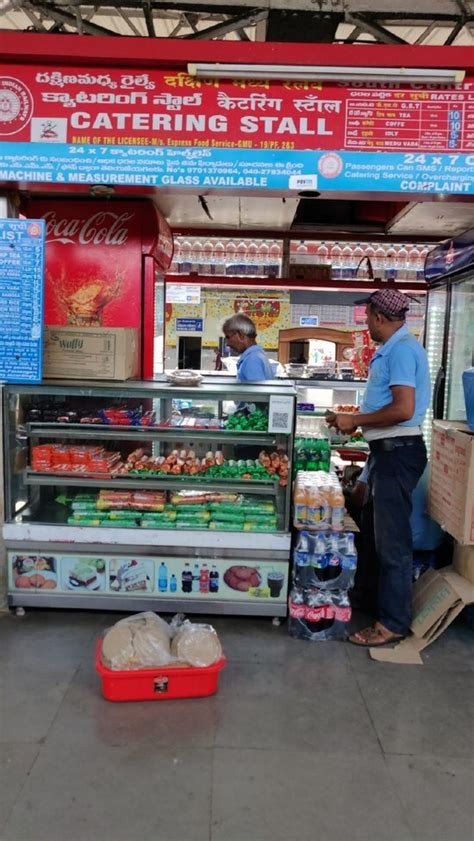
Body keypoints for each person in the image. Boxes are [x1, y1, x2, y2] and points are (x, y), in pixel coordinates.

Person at [327, 289, 430, 647]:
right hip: (386, 451)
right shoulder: (396, 348)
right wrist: (355, 422)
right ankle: (371, 601)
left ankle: (392, 623)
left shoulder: (401, 350)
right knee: (372, 532)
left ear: (380, 317)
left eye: (368, 316)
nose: (366, 322)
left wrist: (355, 418)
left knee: (392, 544)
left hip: (397, 453)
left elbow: (403, 409)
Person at [222, 313, 273, 382]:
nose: (227, 344)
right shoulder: (258, 355)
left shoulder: (252, 360)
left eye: (228, 337)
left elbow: (255, 392)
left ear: (240, 334)